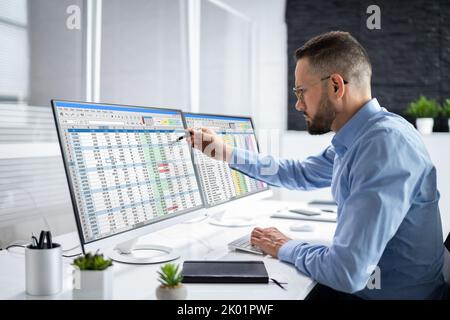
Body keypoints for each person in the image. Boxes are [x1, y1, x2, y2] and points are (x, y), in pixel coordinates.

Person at [187, 31, 447, 300]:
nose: (298, 104)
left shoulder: (383, 147)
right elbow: (300, 173)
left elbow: (346, 271)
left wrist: (287, 246)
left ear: (336, 86)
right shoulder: (363, 137)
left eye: (301, 92)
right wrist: (226, 153)